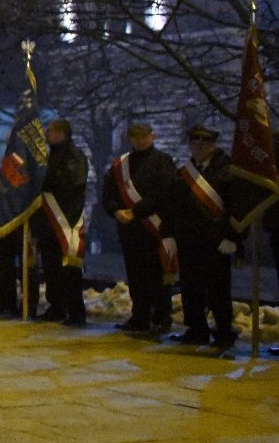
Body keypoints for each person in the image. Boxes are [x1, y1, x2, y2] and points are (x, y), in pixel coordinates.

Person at [169, 125, 239, 350]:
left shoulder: (228, 170)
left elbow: (237, 207)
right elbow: (176, 205)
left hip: (216, 240)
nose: (199, 147)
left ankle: (224, 331)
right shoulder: (186, 171)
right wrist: (170, 234)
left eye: (205, 143)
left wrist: (233, 237)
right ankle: (196, 329)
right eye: (195, 143)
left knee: (218, 289)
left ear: (213, 144)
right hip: (189, 240)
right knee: (191, 287)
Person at [102, 123, 174, 334]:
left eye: (144, 136)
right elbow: (108, 194)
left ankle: (162, 318)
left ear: (152, 136)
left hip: (155, 229)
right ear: (129, 139)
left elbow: (165, 193)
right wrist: (115, 211)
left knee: (158, 277)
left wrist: (137, 211)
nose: (140, 140)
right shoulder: (120, 165)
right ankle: (140, 316)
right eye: (135, 137)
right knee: (136, 276)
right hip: (130, 231)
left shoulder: (163, 161)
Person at [37, 118, 92, 325]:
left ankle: (75, 311)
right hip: (49, 220)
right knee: (51, 268)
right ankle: (57, 306)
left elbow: (73, 181)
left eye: (50, 131)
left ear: (62, 133)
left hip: (66, 218)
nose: (46, 134)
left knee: (70, 269)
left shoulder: (74, 155)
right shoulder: (51, 155)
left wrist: (46, 178)